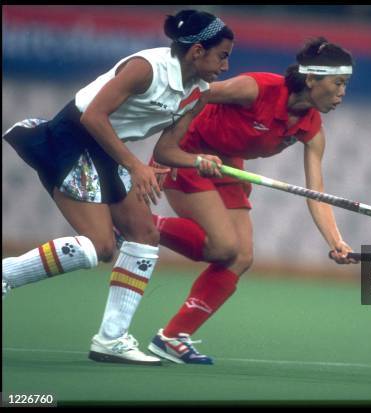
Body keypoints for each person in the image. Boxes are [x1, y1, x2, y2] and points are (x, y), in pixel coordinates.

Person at [2, 9, 233, 366]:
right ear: (197, 51)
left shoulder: (199, 92)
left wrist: (198, 159)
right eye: (223, 55)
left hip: (108, 152)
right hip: (74, 139)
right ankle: (6, 275)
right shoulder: (147, 67)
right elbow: (93, 115)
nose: (226, 65)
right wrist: (134, 166)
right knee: (99, 247)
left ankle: (111, 340)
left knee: (144, 236)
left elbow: (166, 150)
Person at [141, 37, 358, 364]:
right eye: (338, 83)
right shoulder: (255, 88)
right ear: (312, 79)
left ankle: (172, 337)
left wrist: (336, 240)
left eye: (346, 84)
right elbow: (193, 94)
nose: (342, 92)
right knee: (223, 247)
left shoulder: (312, 129)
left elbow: (317, 193)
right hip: (189, 151)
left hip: (228, 166)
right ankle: (138, 224)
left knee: (240, 257)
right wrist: (163, 155)